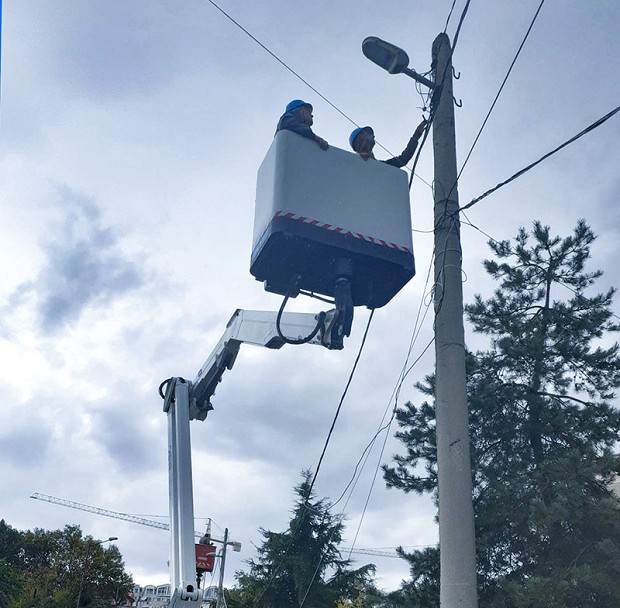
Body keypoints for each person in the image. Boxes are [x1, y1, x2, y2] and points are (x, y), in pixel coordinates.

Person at [349, 118, 427, 167]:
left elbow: (403, 159)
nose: (373, 136)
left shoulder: (384, 166)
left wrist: (416, 135)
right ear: (360, 139)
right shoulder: (351, 165)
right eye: (368, 134)